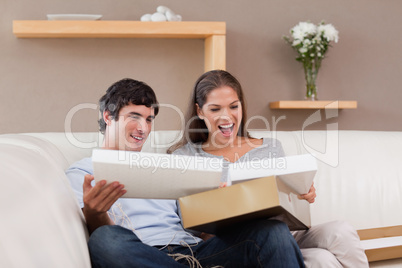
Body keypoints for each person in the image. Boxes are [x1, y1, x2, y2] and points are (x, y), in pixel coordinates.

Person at [66, 78, 305, 267]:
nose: (143, 128)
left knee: (272, 232)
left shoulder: (166, 166)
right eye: (134, 117)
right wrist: (95, 214)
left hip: (195, 253)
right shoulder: (83, 173)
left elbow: (198, 228)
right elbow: (98, 233)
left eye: (149, 119)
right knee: (105, 240)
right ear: (108, 116)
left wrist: (222, 205)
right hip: (144, 255)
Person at [169, 70, 369, 268]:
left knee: (342, 230)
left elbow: (287, 202)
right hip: (238, 242)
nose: (226, 116)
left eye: (233, 106)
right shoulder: (185, 158)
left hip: (286, 232)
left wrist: (301, 192)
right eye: (215, 109)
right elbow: (192, 232)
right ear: (199, 111)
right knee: (320, 259)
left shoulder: (269, 147)